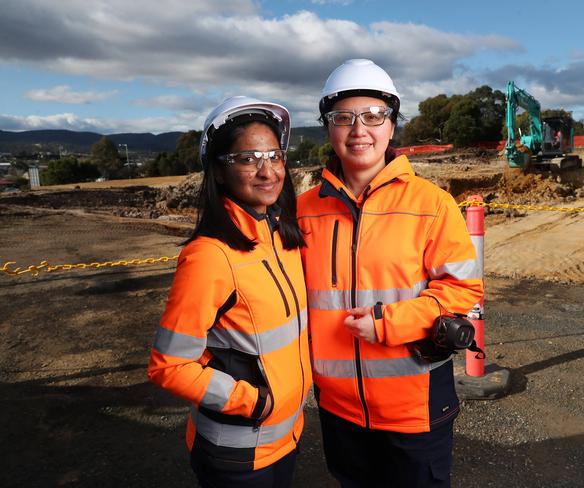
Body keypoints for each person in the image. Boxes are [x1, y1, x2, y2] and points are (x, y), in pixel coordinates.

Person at [297, 59, 484, 487]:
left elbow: (462, 290)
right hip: (338, 409)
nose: (358, 129)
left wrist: (389, 322)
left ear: (392, 125)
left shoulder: (432, 203)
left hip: (414, 409)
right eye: (343, 117)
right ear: (328, 127)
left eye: (373, 116)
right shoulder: (302, 211)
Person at [148, 96, 312, 488]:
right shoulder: (210, 257)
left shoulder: (282, 238)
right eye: (248, 159)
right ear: (219, 172)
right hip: (238, 454)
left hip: (286, 439)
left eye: (274, 156)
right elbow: (169, 366)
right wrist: (254, 403)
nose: (267, 170)